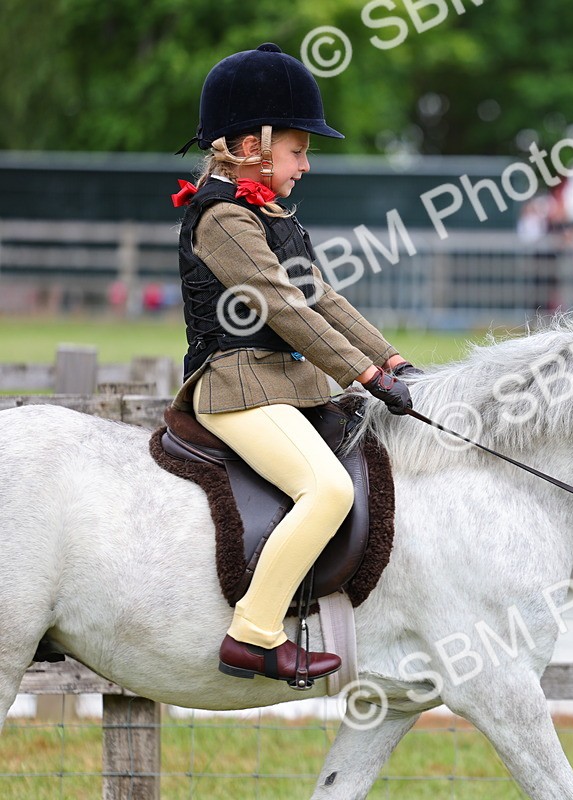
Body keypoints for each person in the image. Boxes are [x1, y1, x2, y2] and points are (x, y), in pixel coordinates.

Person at [170, 44, 416, 686]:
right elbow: (281, 307)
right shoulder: (223, 218)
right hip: (236, 388)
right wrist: (360, 374)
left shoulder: (270, 213)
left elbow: (321, 296)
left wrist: (389, 356)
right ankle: (253, 633)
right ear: (252, 145)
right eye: (298, 150)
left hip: (282, 382)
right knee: (327, 489)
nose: (305, 165)